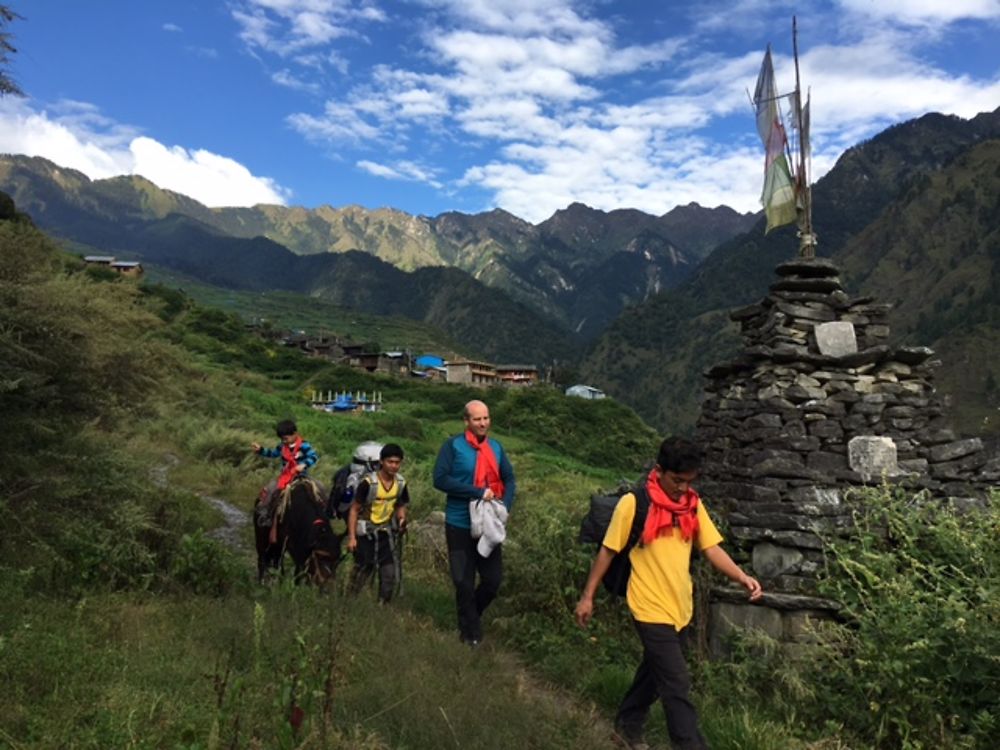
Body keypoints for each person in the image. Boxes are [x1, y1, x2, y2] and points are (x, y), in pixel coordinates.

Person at [575, 437, 762, 750]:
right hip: (648, 605)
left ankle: (627, 726)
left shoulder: (691, 504)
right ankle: (689, 744)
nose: (682, 488)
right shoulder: (635, 503)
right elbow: (608, 551)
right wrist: (587, 596)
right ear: (659, 470)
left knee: (654, 671)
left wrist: (741, 576)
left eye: (689, 481)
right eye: (677, 481)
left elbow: (711, 547)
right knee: (676, 682)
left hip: (680, 605)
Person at [433, 399, 516, 646]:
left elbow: (510, 479)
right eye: (477, 419)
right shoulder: (453, 447)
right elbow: (440, 479)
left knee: (492, 581)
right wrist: (475, 492)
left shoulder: (497, 448)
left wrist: (505, 507)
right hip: (459, 522)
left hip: (489, 525)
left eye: (486, 418)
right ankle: (471, 634)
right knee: (463, 581)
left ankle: (471, 618)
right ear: (466, 421)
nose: (483, 423)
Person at [346, 443, 410, 603]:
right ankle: (349, 600)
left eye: (397, 462)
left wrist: (401, 519)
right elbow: (354, 510)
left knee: (389, 573)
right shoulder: (368, 483)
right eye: (390, 462)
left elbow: (401, 504)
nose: (394, 466)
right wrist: (352, 537)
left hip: (386, 533)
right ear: (381, 461)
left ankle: (383, 606)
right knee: (364, 568)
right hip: (366, 533)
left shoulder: (401, 483)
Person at [251, 420, 320, 541]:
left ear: (295, 434)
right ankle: (266, 514)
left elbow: (314, 456)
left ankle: (323, 515)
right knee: (271, 490)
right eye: (282, 439)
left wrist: (304, 464)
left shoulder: (304, 445)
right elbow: (273, 453)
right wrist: (261, 450)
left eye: (286, 438)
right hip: (285, 476)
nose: (284, 441)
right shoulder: (282, 446)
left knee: (320, 488)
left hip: (301, 476)